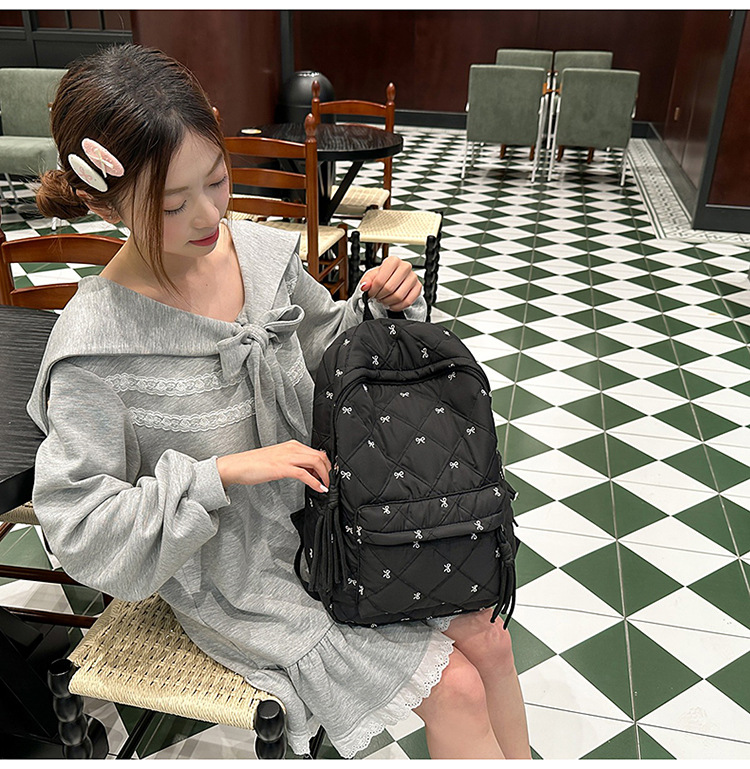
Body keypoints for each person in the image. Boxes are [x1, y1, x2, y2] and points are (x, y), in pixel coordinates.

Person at [28, 43, 531, 760]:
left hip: (341, 522)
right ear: (104, 201)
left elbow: (331, 357)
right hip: (240, 580)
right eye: (172, 204)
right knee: (456, 689)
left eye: (217, 179)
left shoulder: (262, 256)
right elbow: (79, 528)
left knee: (491, 637)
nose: (209, 215)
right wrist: (221, 474)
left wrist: (379, 309)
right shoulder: (96, 346)